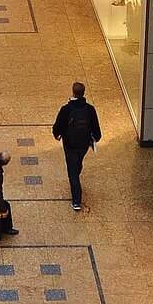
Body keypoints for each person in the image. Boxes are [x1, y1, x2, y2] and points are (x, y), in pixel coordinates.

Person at [51, 81, 103, 211]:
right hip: (84, 144)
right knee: (78, 162)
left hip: (70, 144)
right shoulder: (90, 109)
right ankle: (76, 177)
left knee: (72, 171)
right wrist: (95, 139)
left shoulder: (66, 109)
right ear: (83, 93)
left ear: (73, 92)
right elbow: (96, 129)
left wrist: (56, 134)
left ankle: (76, 201)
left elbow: (58, 126)